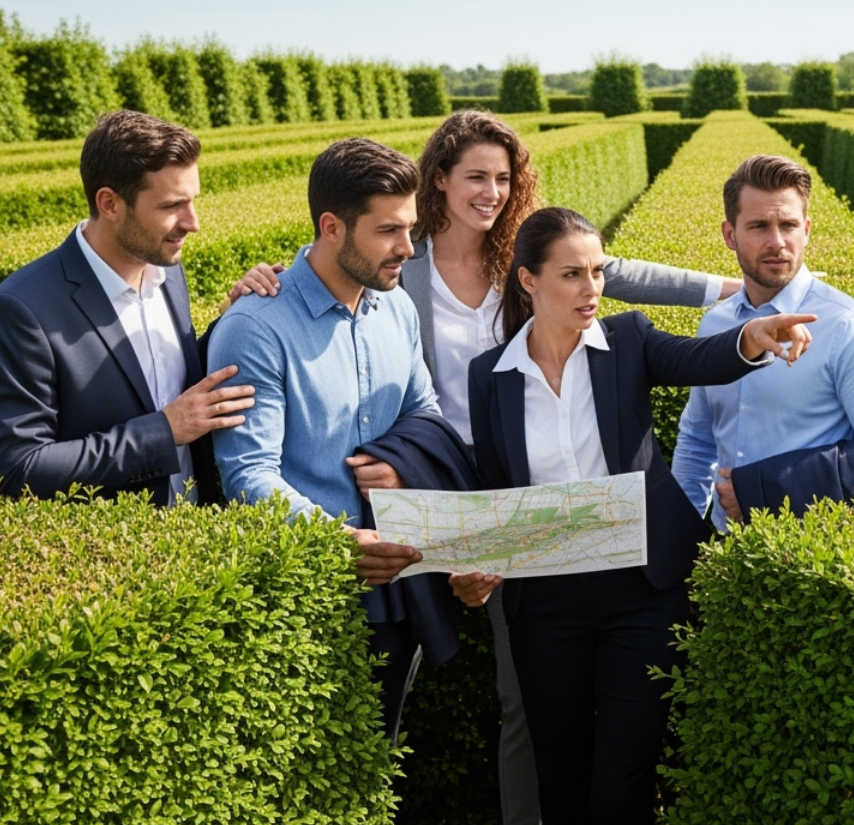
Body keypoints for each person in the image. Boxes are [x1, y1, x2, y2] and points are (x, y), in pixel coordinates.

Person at [227, 108, 738, 825]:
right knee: (477, 699)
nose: (491, 191)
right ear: (440, 179)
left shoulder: (517, 258)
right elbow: (333, 259)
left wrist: (725, 288)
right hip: (446, 491)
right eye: (475, 176)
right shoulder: (400, 274)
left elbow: (612, 274)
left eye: (503, 178)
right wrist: (257, 284)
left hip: (510, 495)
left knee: (538, 701)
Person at [447, 206, 814, 825]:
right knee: (559, 779)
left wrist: (752, 339)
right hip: (544, 603)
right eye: (571, 275)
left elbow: (702, 358)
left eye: (598, 272)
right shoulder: (490, 377)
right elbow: (497, 488)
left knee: (624, 782)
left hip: (642, 594)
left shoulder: (629, 342)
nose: (592, 289)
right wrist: (477, 566)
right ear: (529, 281)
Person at [208, 137, 469, 744]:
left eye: (410, 228)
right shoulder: (254, 328)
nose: (409, 248)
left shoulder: (398, 307)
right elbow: (249, 476)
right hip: (308, 586)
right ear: (331, 226)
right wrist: (338, 541)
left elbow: (424, 411)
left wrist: (398, 467)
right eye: (388, 231)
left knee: (382, 754)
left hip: (401, 580)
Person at [0, 109, 254, 503]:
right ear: (110, 203)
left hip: (199, 537)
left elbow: (168, 380)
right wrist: (163, 431)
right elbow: (18, 470)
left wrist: (238, 317)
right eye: (172, 205)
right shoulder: (19, 312)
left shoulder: (168, 271)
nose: (193, 222)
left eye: (193, 201)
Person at [671, 155, 854, 527]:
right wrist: (679, 538)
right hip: (722, 554)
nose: (777, 242)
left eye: (788, 225)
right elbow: (698, 440)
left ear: (806, 229)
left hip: (806, 562)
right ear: (729, 234)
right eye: (758, 226)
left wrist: (764, 490)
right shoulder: (714, 325)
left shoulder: (851, 327)